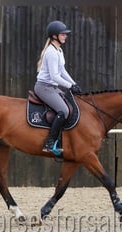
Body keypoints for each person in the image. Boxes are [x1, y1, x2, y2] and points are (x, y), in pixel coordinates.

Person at [35, 20, 82, 153]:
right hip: (44, 87)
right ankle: (49, 143)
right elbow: (54, 76)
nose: (65, 36)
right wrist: (69, 86)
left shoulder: (59, 50)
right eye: (63, 34)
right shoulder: (51, 52)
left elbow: (62, 71)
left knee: (71, 106)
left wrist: (73, 84)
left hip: (52, 87)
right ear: (54, 36)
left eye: (65, 34)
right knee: (64, 111)